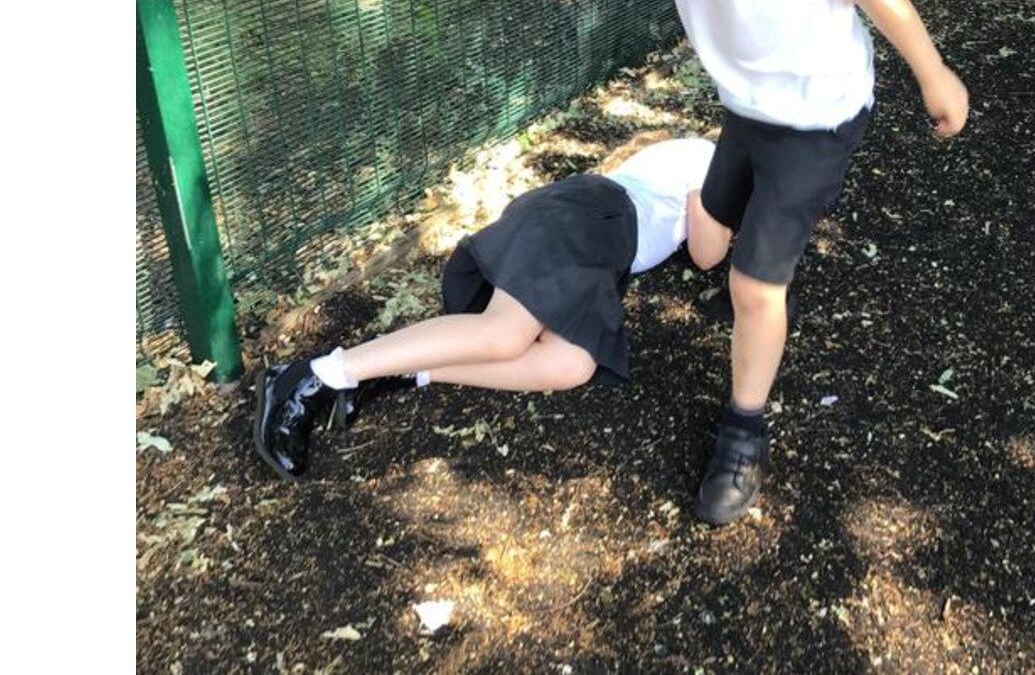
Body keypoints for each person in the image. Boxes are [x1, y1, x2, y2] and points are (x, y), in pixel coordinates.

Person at [614, 0, 970, 525]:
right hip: (748, 104)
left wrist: (935, 76)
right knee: (708, 246)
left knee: (751, 285)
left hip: (817, 114)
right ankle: (757, 285)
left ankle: (743, 431)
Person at [253, 135, 725, 481]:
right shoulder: (708, 158)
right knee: (504, 335)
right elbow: (708, 255)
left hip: (600, 253)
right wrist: (734, 213)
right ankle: (311, 376)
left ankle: (397, 371)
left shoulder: (696, 169)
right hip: (590, 221)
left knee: (571, 363)